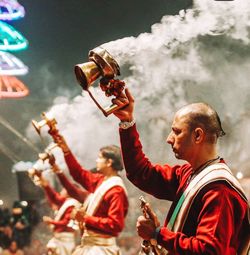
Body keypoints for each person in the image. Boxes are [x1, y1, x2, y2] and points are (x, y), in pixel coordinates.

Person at [111, 88, 250, 255]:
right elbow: (141, 173)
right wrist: (127, 122)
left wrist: (157, 234)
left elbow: (208, 251)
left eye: (177, 131)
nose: (169, 138)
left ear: (198, 135)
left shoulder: (219, 190)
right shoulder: (189, 173)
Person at [48, 129, 129, 255]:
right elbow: (78, 174)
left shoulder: (116, 190)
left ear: (109, 162)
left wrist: (86, 218)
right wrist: (65, 149)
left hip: (101, 248)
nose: (96, 160)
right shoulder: (101, 181)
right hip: (90, 245)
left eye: (99, 157)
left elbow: (116, 224)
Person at [38, 172, 79, 255]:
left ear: (69, 191)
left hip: (65, 239)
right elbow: (54, 197)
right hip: (58, 238)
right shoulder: (66, 202)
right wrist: (46, 186)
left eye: (64, 189)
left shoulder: (73, 204)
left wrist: (51, 222)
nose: (61, 191)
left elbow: (66, 223)